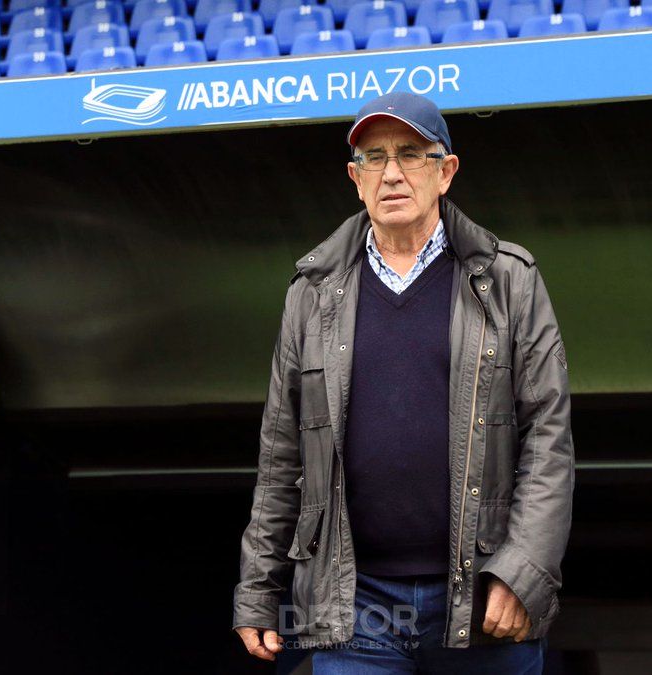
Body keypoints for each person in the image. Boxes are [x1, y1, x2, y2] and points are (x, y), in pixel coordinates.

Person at [233, 91, 574, 673]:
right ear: (354, 178)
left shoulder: (509, 280)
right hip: (353, 603)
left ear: (446, 172)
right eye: (373, 157)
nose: (391, 172)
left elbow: (548, 440)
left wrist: (524, 572)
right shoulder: (310, 294)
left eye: (410, 153)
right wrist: (259, 588)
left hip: (481, 598)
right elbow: (281, 453)